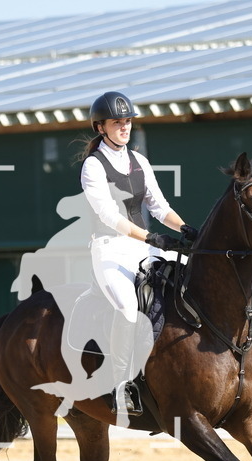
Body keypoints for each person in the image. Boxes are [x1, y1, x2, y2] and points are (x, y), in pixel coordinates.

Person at [79, 91, 194, 420]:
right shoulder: (93, 166)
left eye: (127, 121)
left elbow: (159, 207)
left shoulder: (139, 161)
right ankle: (121, 384)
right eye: (117, 122)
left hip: (144, 245)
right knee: (129, 308)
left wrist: (187, 229)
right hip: (109, 249)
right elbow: (109, 217)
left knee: (191, 275)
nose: (124, 127)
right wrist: (152, 237)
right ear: (101, 127)